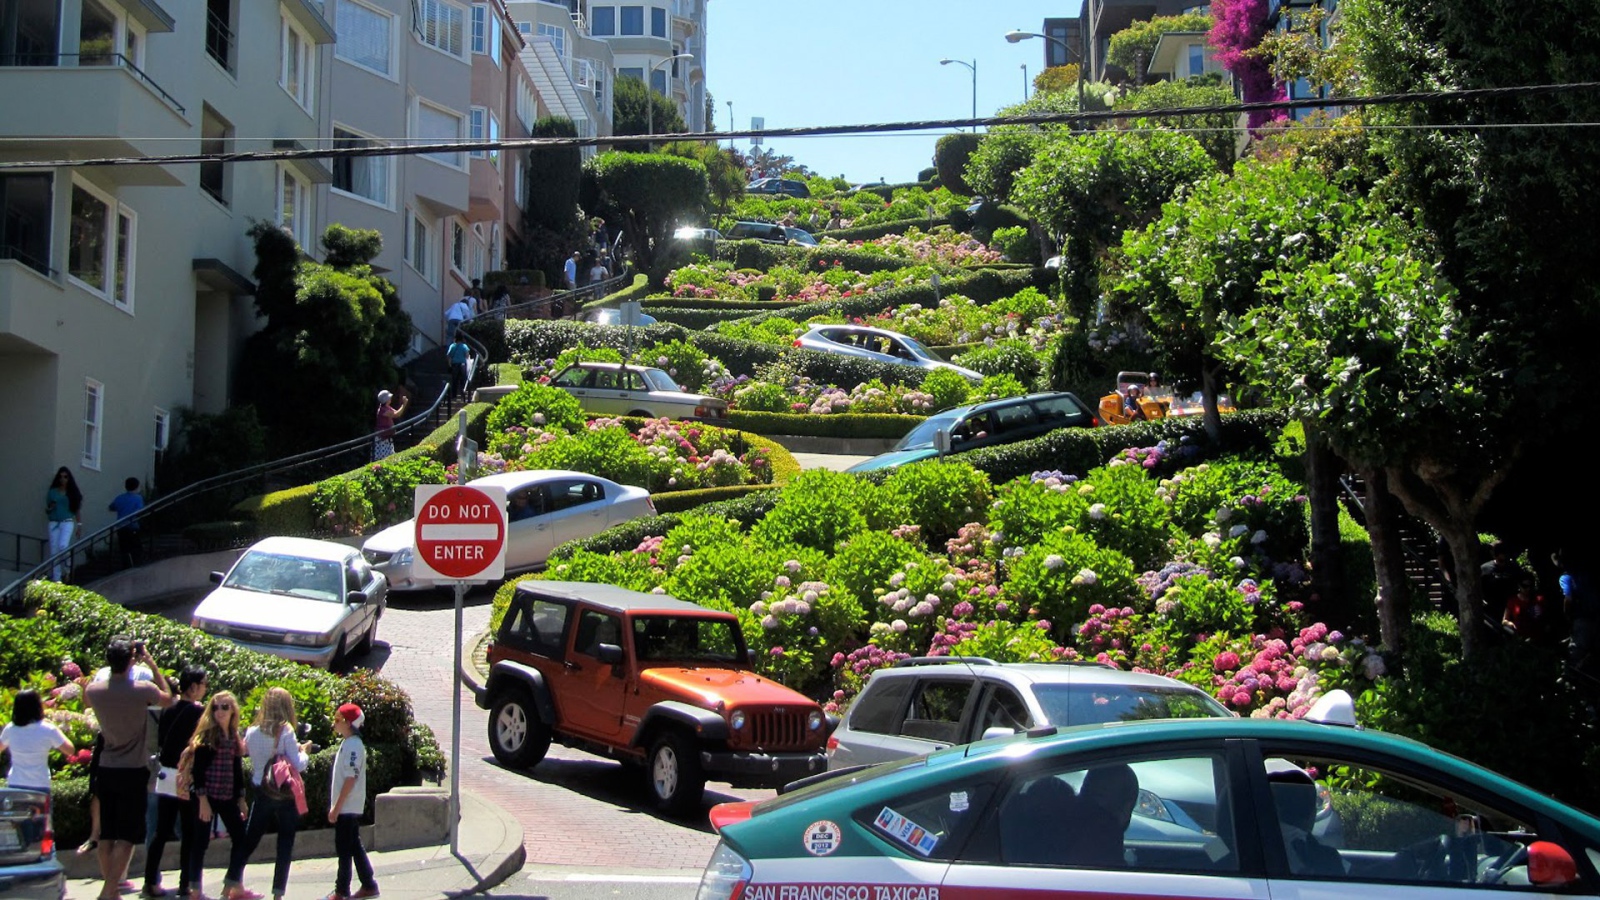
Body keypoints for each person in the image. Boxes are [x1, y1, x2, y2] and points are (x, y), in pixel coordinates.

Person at [84, 637, 175, 900]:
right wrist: (152, 662)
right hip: (133, 769)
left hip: (106, 766)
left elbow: (86, 698)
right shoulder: (142, 689)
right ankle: (108, 891)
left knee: (107, 834)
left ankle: (111, 892)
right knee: (127, 835)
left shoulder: (94, 691)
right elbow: (169, 698)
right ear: (132, 660)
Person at [228, 687, 312, 900]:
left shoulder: (253, 731)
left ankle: (232, 881)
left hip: (261, 789)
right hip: (284, 793)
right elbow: (298, 765)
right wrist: (305, 753)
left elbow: (249, 756)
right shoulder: (286, 731)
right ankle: (278, 892)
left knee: (250, 838)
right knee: (285, 841)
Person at [145, 667, 207, 900]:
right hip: (184, 776)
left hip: (165, 774)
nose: (204, 688)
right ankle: (184, 884)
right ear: (193, 687)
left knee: (161, 831)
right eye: (203, 684)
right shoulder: (196, 712)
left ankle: (150, 881)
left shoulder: (168, 709)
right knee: (188, 832)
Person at [182, 690, 247, 900]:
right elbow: (198, 772)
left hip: (227, 795)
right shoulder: (208, 736)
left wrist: (241, 798)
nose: (220, 711)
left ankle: (231, 882)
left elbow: (237, 771)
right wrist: (202, 800)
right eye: (216, 707)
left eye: (225, 707)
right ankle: (195, 889)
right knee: (200, 842)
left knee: (240, 838)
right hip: (206, 795)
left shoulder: (234, 736)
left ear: (233, 710)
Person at [325, 703, 379, 900]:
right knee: (353, 845)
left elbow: (350, 778)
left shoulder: (354, 745)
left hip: (347, 807)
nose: (334, 723)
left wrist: (336, 808)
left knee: (344, 849)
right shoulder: (348, 743)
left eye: (338, 720)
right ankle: (369, 884)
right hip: (346, 807)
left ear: (349, 723)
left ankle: (341, 891)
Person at [1, 689, 74, 793]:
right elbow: (70, 750)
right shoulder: (48, 729)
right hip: (40, 785)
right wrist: (55, 726)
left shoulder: (10, 729)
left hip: (15, 784)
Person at [1555, 548, 1599, 676]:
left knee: (1577, 649)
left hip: (1582, 617)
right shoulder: (1586, 573)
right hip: (1596, 614)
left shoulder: (1566, 577)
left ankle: (1569, 678)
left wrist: (1567, 614)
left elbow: (1568, 598)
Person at [45, 466, 82, 581]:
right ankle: (57, 580)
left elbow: (76, 510)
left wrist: (79, 526)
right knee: (54, 552)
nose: (63, 479)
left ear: (69, 478)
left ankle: (67, 569)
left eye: (65, 477)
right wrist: (51, 507)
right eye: (60, 476)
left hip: (67, 522)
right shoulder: (52, 492)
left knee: (63, 546)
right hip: (53, 523)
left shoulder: (72, 493)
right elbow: (47, 510)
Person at [1479, 540, 1526, 625]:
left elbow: (1522, 584)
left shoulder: (1514, 568)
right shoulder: (1485, 569)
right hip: (1492, 609)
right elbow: (1478, 587)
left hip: (1511, 608)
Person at [108, 477, 145, 568]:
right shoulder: (138, 498)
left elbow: (111, 507)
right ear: (136, 487)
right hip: (132, 526)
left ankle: (126, 566)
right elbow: (140, 510)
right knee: (136, 548)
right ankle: (135, 566)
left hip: (121, 527)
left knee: (124, 549)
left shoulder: (120, 498)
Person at [1502, 576, 1550, 642]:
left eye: (1530, 586)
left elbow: (1547, 617)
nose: (1528, 589)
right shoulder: (1512, 601)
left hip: (1539, 637)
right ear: (1519, 586)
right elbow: (1504, 620)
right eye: (1524, 586)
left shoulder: (1539, 599)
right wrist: (1511, 624)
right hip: (1521, 637)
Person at [372, 390, 408, 462]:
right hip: (382, 438)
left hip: (386, 437)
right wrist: (404, 404)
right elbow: (396, 415)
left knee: (389, 456)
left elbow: (396, 412)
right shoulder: (383, 410)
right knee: (382, 458)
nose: (390, 398)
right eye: (389, 397)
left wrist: (403, 404)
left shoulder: (387, 407)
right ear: (386, 400)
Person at [446, 334, 471, 401]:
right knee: (463, 380)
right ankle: (463, 396)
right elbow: (467, 355)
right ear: (462, 339)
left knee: (454, 381)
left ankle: (454, 396)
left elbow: (448, 356)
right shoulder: (464, 346)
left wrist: (449, 365)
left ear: (455, 339)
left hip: (454, 365)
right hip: (462, 365)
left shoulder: (452, 346)